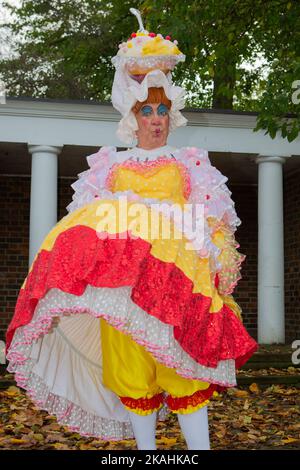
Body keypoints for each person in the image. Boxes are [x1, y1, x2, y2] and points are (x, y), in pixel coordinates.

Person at [5, 9, 258, 450]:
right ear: (133, 115)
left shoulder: (190, 164)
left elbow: (212, 223)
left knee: (183, 377)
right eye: (146, 110)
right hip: (121, 295)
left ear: (171, 113)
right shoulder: (109, 166)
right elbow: (84, 230)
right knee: (133, 380)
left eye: (162, 109)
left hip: (175, 287)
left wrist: (218, 274)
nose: (155, 118)